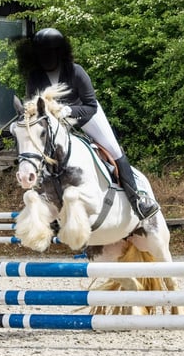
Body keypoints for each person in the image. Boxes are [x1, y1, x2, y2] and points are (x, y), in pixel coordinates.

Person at [19, 27, 159, 221]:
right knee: (39, 152)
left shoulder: (76, 72)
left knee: (113, 149)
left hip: (85, 116)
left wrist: (69, 111)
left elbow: (90, 105)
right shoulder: (35, 77)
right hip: (54, 123)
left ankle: (137, 201)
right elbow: (33, 105)